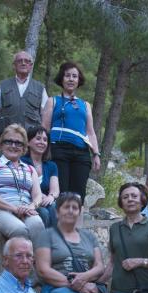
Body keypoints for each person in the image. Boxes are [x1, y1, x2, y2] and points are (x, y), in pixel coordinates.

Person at [41, 62, 101, 203]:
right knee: (61, 192)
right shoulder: (52, 101)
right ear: (62, 79)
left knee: (78, 194)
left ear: (79, 80)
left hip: (81, 153)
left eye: (74, 76)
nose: (71, 79)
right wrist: (44, 151)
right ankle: (58, 218)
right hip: (58, 150)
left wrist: (96, 154)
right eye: (67, 75)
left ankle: (77, 218)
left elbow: (90, 132)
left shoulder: (85, 105)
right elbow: (44, 129)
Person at [0, 124, 44, 241]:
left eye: (18, 143)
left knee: (37, 224)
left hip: (25, 210)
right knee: (19, 229)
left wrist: (30, 207)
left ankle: (37, 254)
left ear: (24, 148)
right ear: (1, 144)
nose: (13, 145)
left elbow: (38, 196)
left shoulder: (30, 169)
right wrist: (15, 209)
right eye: (8, 141)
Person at [0, 51, 49, 148]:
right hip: (8, 138)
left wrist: (41, 138)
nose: (23, 63)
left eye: (26, 61)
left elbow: (45, 115)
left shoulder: (40, 88)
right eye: (20, 61)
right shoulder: (3, 85)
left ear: (31, 65)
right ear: (14, 65)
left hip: (31, 140)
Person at [21, 126, 59, 227]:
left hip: (46, 202)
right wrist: (40, 196)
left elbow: (55, 190)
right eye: (38, 138)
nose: (42, 142)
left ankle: (57, 236)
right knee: (44, 213)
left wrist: (51, 196)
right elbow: (24, 185)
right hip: (28, 202)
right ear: (28, 142)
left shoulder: (51, 165)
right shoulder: (21, 162)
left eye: (45, 140)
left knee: (54, 206)